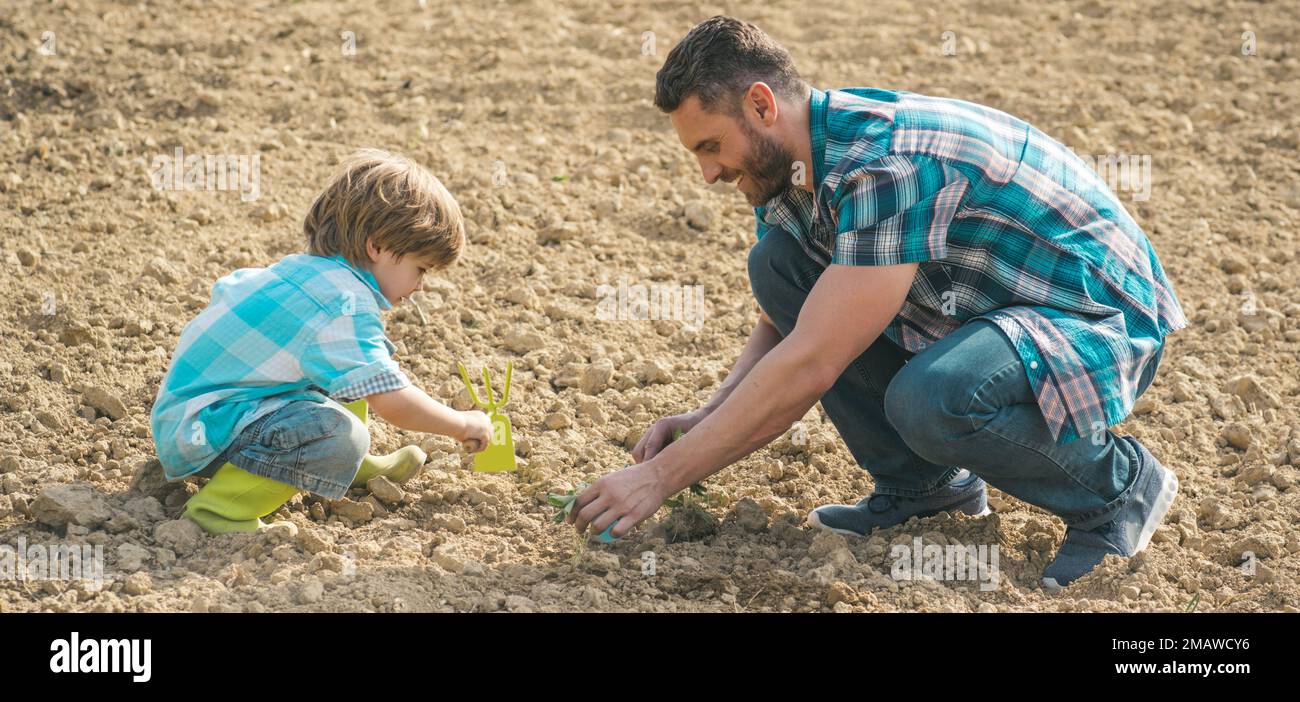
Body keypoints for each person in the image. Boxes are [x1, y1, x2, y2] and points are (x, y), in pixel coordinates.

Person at [570, 16, 1186, 591]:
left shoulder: (881, 164)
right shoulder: (795, 162)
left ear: (761, 105)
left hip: (1090, 309)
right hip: (988, 304)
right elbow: (790, 318)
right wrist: (711, 414)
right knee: (777, 264)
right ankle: (925, 486)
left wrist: (660, 477)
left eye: (710, 146)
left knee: (933, 398)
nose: (708, 173)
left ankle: (1117, 487)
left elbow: (813, 359)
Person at [150, 149, 492, 534]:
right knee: (339, 437)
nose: (419, 287)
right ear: (377, 247)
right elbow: (393, 402)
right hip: (203, 435)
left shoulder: (312, 276)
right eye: (420, 269)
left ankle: (353, 466)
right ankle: (220, 511)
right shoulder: (342, 307)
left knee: (349, 365)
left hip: (194, 416)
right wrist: (462, 424)